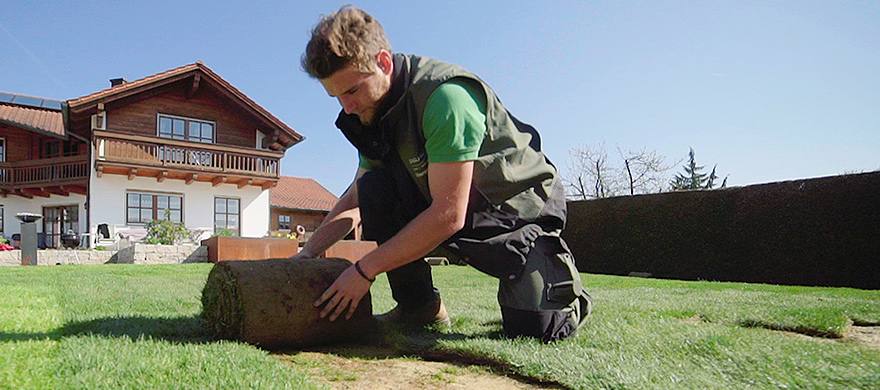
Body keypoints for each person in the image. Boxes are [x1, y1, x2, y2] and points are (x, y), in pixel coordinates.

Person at [294, 5, 592, 342]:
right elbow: (357, 196)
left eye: (352, 91)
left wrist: (364, 270)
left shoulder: (445, 97)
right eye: (335, 96)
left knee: (537, 331)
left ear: (384, 62)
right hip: (454, 207)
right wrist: (307, 252)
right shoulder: (370, 113)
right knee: (375, 188)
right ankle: (419, 306)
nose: (347, 107)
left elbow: (448, 215)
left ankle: (563, 290)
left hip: (516, 210)